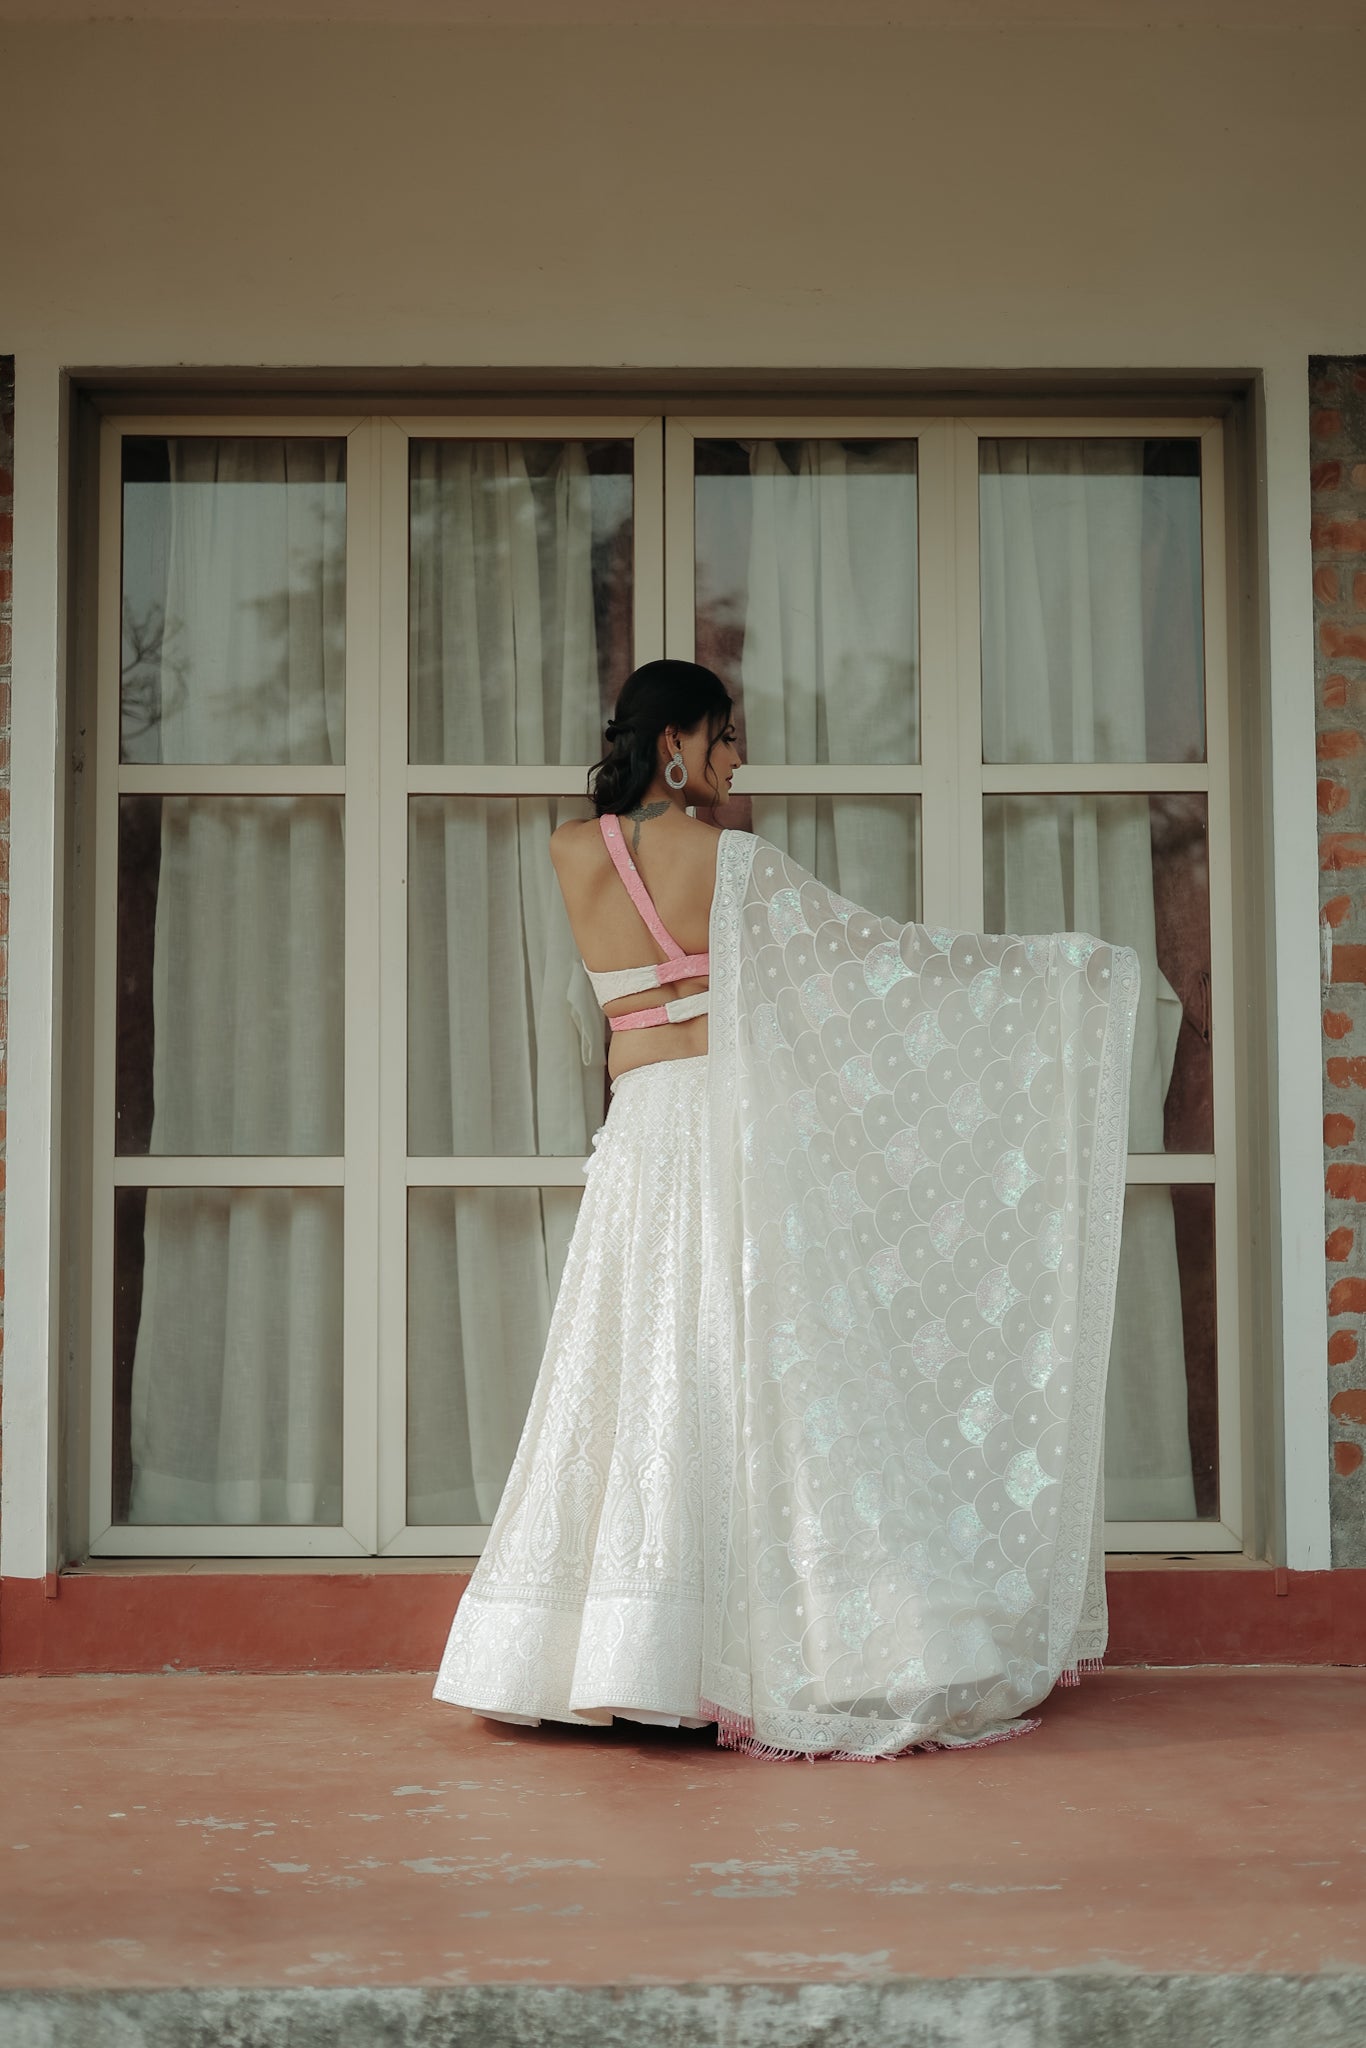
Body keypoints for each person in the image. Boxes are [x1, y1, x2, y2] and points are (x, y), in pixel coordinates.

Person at [433, 659, 1140, 1759]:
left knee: (635, 1369)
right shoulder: (732, 861)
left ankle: (609, 1655)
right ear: (675, 742)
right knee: (763, 1374)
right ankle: (801, 1643)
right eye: (723, 736)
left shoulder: (570, 851)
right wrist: (1053, 975)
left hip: (639, 1134)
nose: (737, 757)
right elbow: (879, 963)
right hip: (728, 1130)